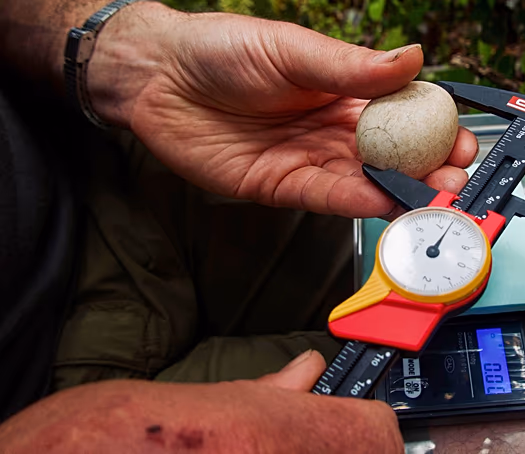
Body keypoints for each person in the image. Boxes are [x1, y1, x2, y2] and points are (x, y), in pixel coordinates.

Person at [0, 0, 479, 451]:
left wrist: (120, 52)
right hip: (52, 384)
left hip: (123, 158)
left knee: (456, 315)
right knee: (436, 395)